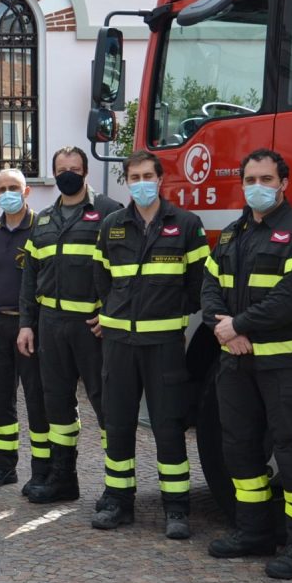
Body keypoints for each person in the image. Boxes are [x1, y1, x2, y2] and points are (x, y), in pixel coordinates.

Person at [203, 149, 292, 579]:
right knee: (239, 448)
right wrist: (225, 329)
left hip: (285, 365)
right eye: (250, 179)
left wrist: (238, 326)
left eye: (266, 179)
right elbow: (209, 287)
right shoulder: (233, 233)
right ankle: (253, 532)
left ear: (283, 183)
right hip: (236, 364)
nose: (258, 186)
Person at [92, 151, 207, 538]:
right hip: (119, 343)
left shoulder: (187, 225)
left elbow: (199, 285)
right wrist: (115, 314)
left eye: (147, 175)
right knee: (119, 423)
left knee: (168, 425)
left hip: (164, 344)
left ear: (161, 179)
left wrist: (170, 313)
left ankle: (176, 508)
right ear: (126, 181)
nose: (141, 182)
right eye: (134, 176)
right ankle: (117, 500)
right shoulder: (111, 225)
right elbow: (101, 278)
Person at [16, 147, 123, 504]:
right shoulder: (43, 220)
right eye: (61, 170)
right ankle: (64, 480)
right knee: (57, 404)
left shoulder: (109, 212)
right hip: (50, 325)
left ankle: (117, 488)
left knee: (107, 404)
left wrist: (112, 315)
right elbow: (30, 278)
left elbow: (124, 272)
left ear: (86, 172)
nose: (68, 175)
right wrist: (26, 324)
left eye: (74, 169)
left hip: (92, 328)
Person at [0, 168, 49, 491]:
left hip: (30, 324)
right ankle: (4, 467)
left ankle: (42, 470)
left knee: (37, 397)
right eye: (2, 188)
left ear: (27, 191)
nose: (8, 193)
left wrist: (28, 319)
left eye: (14, 187)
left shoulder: (42, 229)